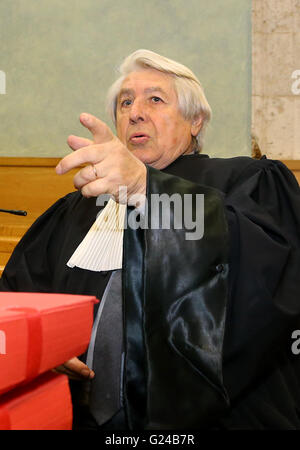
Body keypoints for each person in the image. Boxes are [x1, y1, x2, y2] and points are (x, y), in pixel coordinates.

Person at [1, 49, 300, 430]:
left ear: (195, 121)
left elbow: (269, 277)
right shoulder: (73, 211)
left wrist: (147, 188)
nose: (135, 112)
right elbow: (21, 298)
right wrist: (46, 348)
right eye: (125, 102)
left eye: (155, 99)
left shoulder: (247, 181)